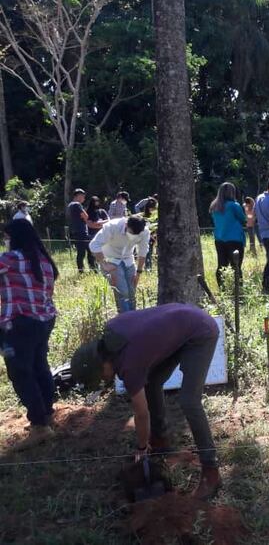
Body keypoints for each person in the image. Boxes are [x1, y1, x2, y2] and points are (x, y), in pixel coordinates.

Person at [70, 304, 222, 500]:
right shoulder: (111, 334)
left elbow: (141, 413)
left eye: (101, 377)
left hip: (200, 331)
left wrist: (141, 447)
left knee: (189, 401)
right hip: (185, 324)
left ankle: (211, 471)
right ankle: (160, 440)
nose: (105, 380)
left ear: (101, 364)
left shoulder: (128, 363)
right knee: (152, 383)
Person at [0, 220, 59, 449]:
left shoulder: (11, 258)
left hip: (20, 323)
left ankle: (39, 425)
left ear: (13, 237)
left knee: (21, 372)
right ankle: (46, 412)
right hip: (44, 320)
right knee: (39, 365)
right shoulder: (44, 261)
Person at [89, 215, 150, 313]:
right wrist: (104, 264)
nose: (133, 236)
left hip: (128, 260)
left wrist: (138, 273)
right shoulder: (112, 226)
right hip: (111, 260)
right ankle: (124, 319)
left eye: (136, 234)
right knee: (122, 291)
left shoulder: (144, 231)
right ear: (126, 224)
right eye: (131, 232)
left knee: (132, 290)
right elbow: (94, 244)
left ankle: (133, 317)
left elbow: (142, 252)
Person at [209, 182, 245, 288]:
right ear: (232, 192)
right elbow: (243, 219)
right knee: (236, 267)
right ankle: (238, 291)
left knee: (221, 265)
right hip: (235, 239)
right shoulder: (234, 206)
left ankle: (222, 288)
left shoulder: (214, 206)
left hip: (219, 239)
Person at [68, 188, 94, 273]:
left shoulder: (70, 205)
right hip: (81, 231)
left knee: (81, 252)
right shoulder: (76, 204)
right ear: (78, 196)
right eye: (83, 196)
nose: (84, 198)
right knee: (89, 251)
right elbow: (86, 216)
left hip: (75, 231)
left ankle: (81, 270)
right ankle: (93, 268)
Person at [142, 198, 159, 271]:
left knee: (152, 252)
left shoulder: (157, 216)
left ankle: (151, 266)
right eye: (151, 208)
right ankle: (148, 267)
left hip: (155, 235)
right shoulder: (144, 216)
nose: (152, 210)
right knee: (147, 252)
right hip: (147, 236)